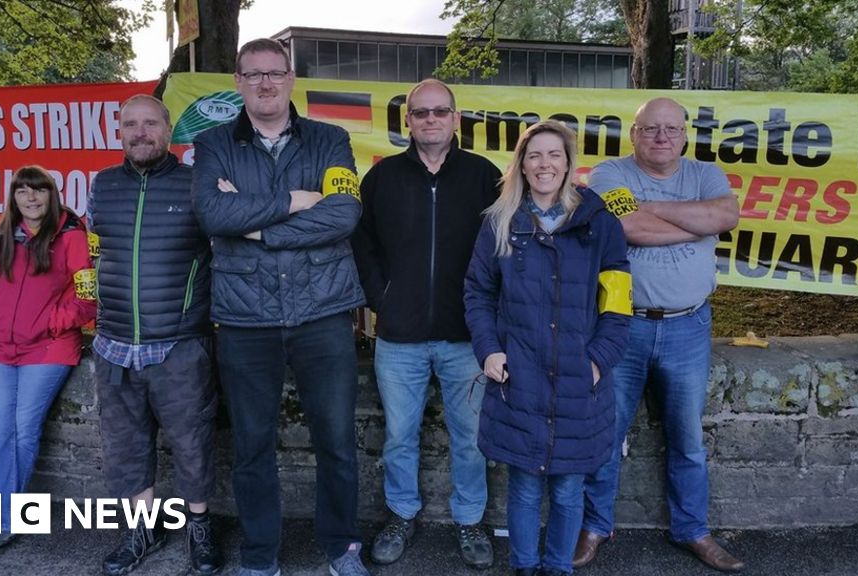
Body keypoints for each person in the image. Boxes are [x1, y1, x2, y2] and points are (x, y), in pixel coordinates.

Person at [191, 38, 367, 576]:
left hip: (324, 312)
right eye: (253, 75)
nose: (265, 83)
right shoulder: (215, 142)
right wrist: (294, 200)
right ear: (239, 82)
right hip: (246, 320)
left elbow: (343, 215)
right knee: (251, 446)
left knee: (337, 442)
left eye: (274, 73)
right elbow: (212, 214)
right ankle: (261, 556)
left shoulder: (330, 139)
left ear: (291, 78)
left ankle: (341, 548)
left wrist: (256, 228)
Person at [576, 97, 744, 572]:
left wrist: (655, 211)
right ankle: (594, 526)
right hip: (621, 326)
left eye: (671, 128)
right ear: (634, 133)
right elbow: (626, 226)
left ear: (686, 134)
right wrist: (695, 223)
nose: (661, 137)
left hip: (688, 325)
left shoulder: (707, 174)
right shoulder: (610, 173)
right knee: (604, 434)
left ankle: (693, 530)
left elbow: (726, 217)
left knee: (688, 437)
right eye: (651, 129)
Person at [464, 120, 632, 576]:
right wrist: (489, 350)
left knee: (566, 489)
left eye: (554, 155)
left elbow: (618, 304)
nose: (544, 164)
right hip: (520, 377)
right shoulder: (500, 221)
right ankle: (524, 566)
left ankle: (558, 567)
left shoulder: (599, 222)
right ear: (521, 162)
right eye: (534, 155)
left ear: (568, 162)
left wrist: (598, 362)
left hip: (581, 380)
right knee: (522, 487)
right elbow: (477, 292)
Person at [351, 78, 500, 568]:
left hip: (467, 337)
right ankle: (400, 513)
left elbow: (505, 249)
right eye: (421, 113)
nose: (430, 120)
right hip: (400, 336)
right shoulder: (383, 178)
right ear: (408, 121)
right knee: (399, 435)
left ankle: (471, 519)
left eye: (440, 112)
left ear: (456, 119)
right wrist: (382, 300)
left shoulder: (485, 176)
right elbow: (363, 245)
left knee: (471, 437)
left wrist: (492, 315)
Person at [88, 94, 222, 576]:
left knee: (192, 443)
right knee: (126, 446)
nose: (140, 132)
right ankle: (142, 528)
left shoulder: (195, 185)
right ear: (119, 131)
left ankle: (200, 528)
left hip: (179, 343)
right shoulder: (100, 186)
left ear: (168, 131)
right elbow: (88, 252)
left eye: (150, 124)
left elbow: (226, 251)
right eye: (130, 125)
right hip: (114, 342)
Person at [0, 165, 97, 562]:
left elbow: (87, 298)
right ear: (13, 197)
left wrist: (47, 325)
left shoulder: (72, 237)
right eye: (23, 191)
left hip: (49, 349)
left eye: (39, 191)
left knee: (22, 431)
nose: (31, 199)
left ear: (51, 195)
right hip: (1, 348)